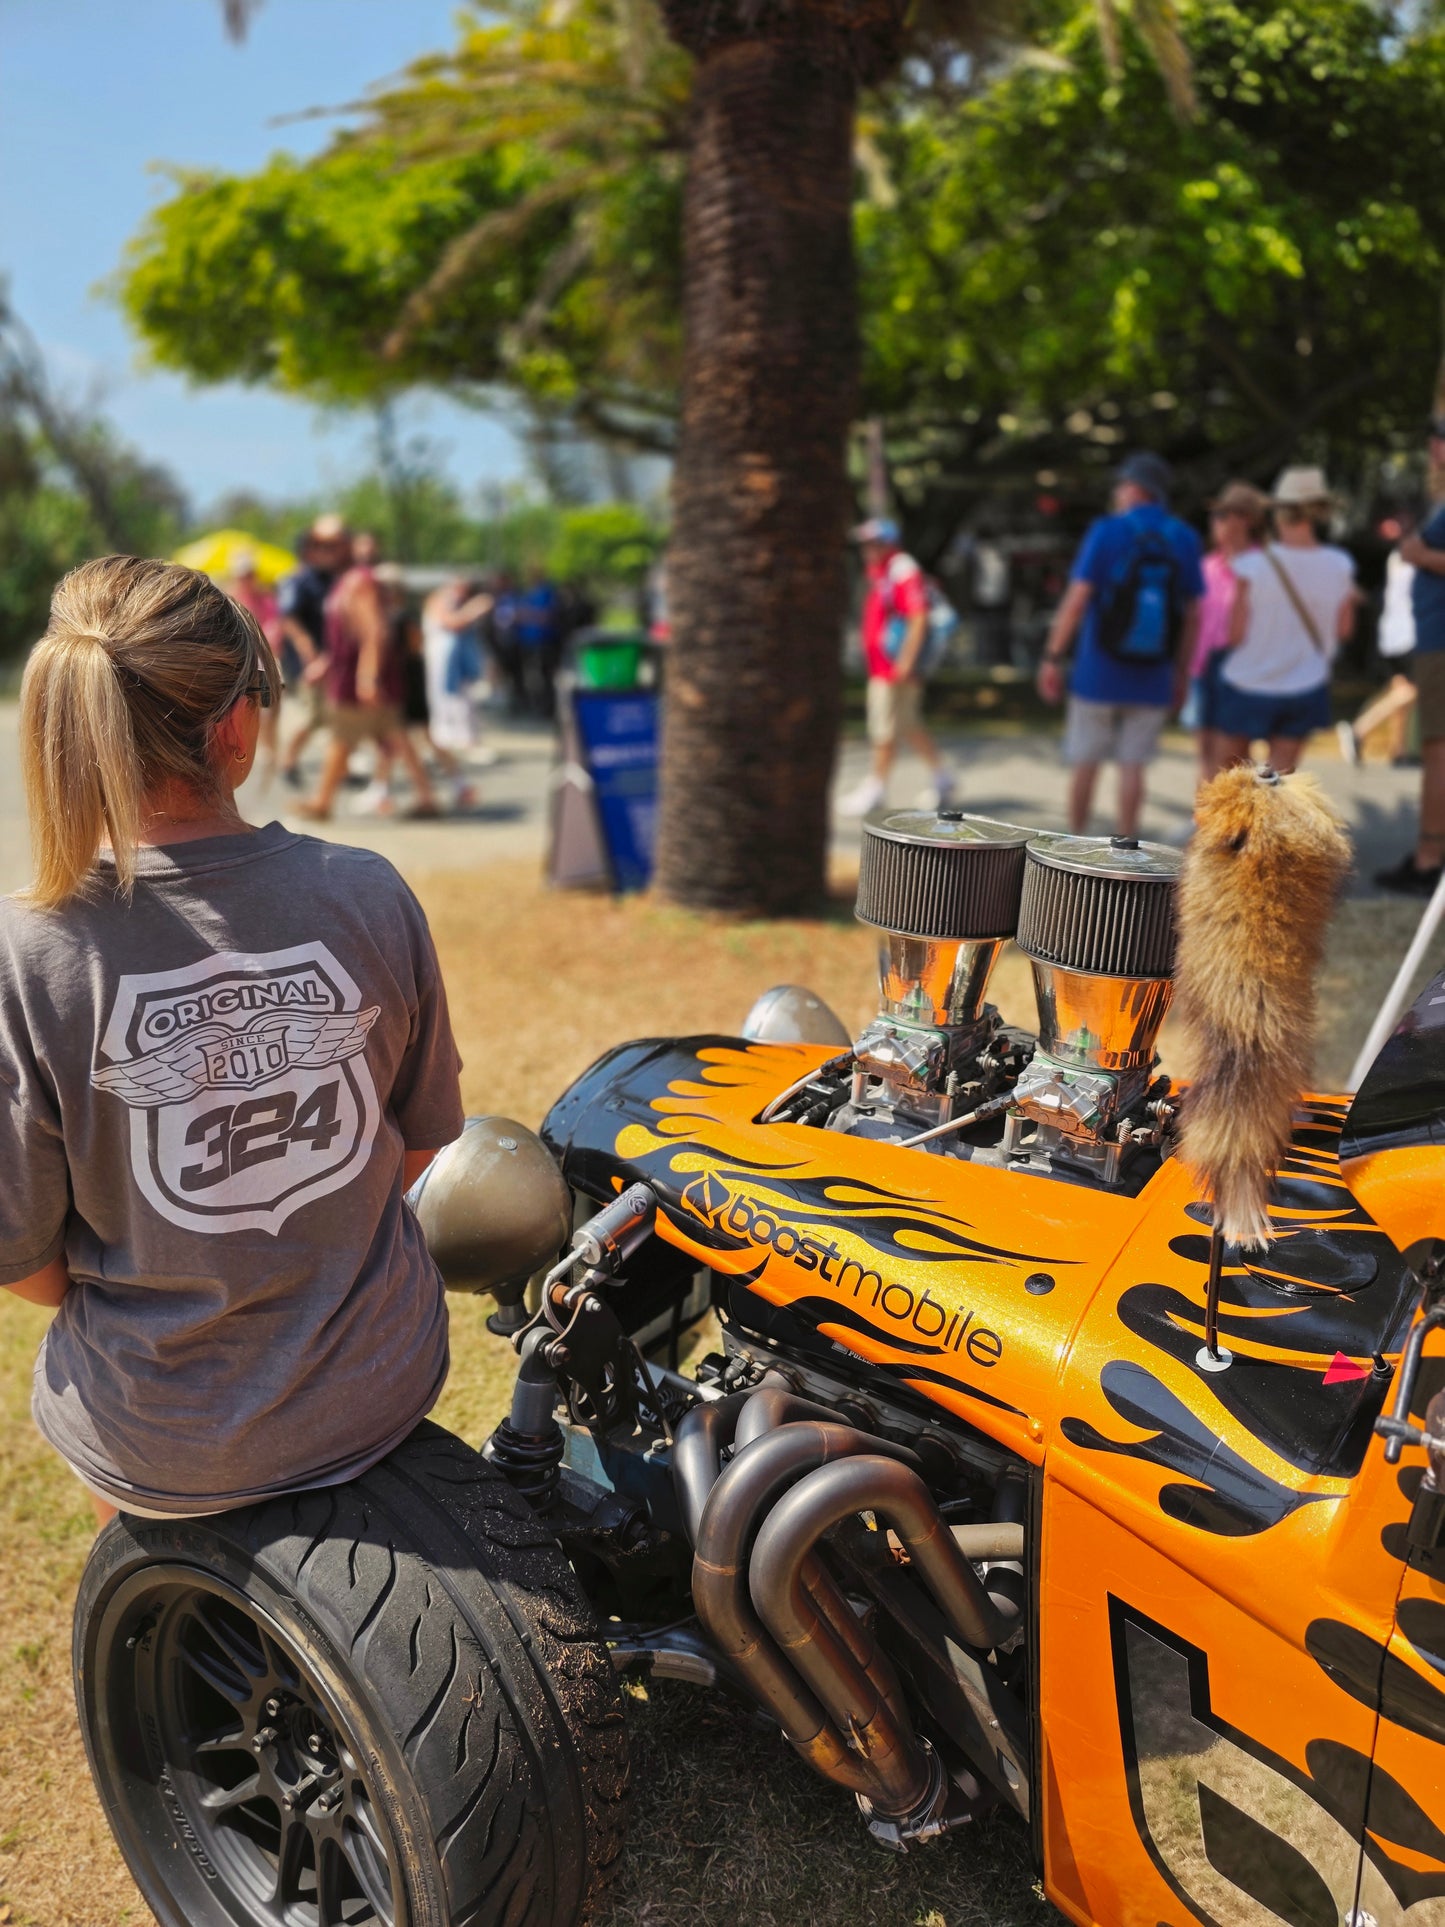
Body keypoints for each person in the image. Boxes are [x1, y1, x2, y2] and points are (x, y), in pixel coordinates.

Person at [1, 555, 463, 1523]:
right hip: (376, 1389)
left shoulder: (26, 952)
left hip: (157, 1440)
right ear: (239, 725)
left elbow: (33, 1269)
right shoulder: (367, 890)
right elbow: (418, 1150)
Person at [1036, 453, 1204, 837]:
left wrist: (1052, 656)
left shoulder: (1107, 531)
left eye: (1120, 485)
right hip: (1154, 673)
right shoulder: (1185, 537)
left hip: (1097, 670)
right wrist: (1181, 672)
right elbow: (1193, 615)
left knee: (1085, 761)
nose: (1116, 492)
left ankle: (1072, 845)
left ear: (1134, 488)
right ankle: (1126, 850)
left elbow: (1077, 599)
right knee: (1133, 767)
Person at [1214, 466, 1356, 778]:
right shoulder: (1341, 565)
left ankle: (1237, 829)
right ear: (1319, 512)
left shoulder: (1250, 565)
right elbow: (1344, 630)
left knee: (1231, 783)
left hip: (1246, 682)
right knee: (1279, 785)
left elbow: (1235, 634)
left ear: (1278, 512)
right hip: (1306, 682)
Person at [298, 535, 441, 821]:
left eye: (331, 547)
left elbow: (374, 632)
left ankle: (322, 802)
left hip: (358, 683)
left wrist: (367, 677)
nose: (323, 553)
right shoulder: (347, 583)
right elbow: (348, 635)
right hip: (358, 678)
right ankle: (426, 798)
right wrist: (327, 664)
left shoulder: (359, 582)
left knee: (343, 738)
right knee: (395, 737)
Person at [839, 516, 955, 816]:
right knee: (907, 724)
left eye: (873, 542)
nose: (867, 548)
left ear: (887, 542)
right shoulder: (884, 571)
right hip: (886, 666)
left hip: (894, 668)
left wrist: (905, 662)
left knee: (884, 728)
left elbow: (919, 617)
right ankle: (943, 778)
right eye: (864, 543)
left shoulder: (902, 569)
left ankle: (875, 787)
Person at [1377, 419, 1445, 893]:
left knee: (1437, 752)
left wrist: (1422, 557)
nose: (1434, 446)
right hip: (1433, 639)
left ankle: (1428, 860)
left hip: (1441, 640)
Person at [1188, 482, 1269, 787]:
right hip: (1202, 670)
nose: (1216, 522)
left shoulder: (1264, 566)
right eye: (1216, 515)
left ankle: (1229, 826)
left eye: (1224, 514)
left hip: (1242, 671)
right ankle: (1205, 825)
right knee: (1207, 757)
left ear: (1246, 519)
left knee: (1233, 759)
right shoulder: (1206, 566)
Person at [1338, 513, 1418, 769]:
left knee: (1401, 688)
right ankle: (1359, 729)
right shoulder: (1415, 556)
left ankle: (1398, 749)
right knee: (1415, 689)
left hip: (1393, 633)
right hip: (1410, 633)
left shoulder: (1400, 556)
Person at [275, 516, 347, 788]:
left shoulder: (330, 579)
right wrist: (312, 659)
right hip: (310, 663)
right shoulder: (298, 581)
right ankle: (288, 762)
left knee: (336, 715)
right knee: (314, 716)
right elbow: (289, 620)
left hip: (330, 661)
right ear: (309, 551)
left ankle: (342, 768)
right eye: (323, 548)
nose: (330, 553)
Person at [223, 548, 284, 777]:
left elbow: (276, 625)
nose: (246, 579)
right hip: (242, 663)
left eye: (249, 574)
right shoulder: (229, 598)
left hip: (265, 661)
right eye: (242, 575)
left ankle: (269, 746)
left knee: (269, 707)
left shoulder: (266, 599)